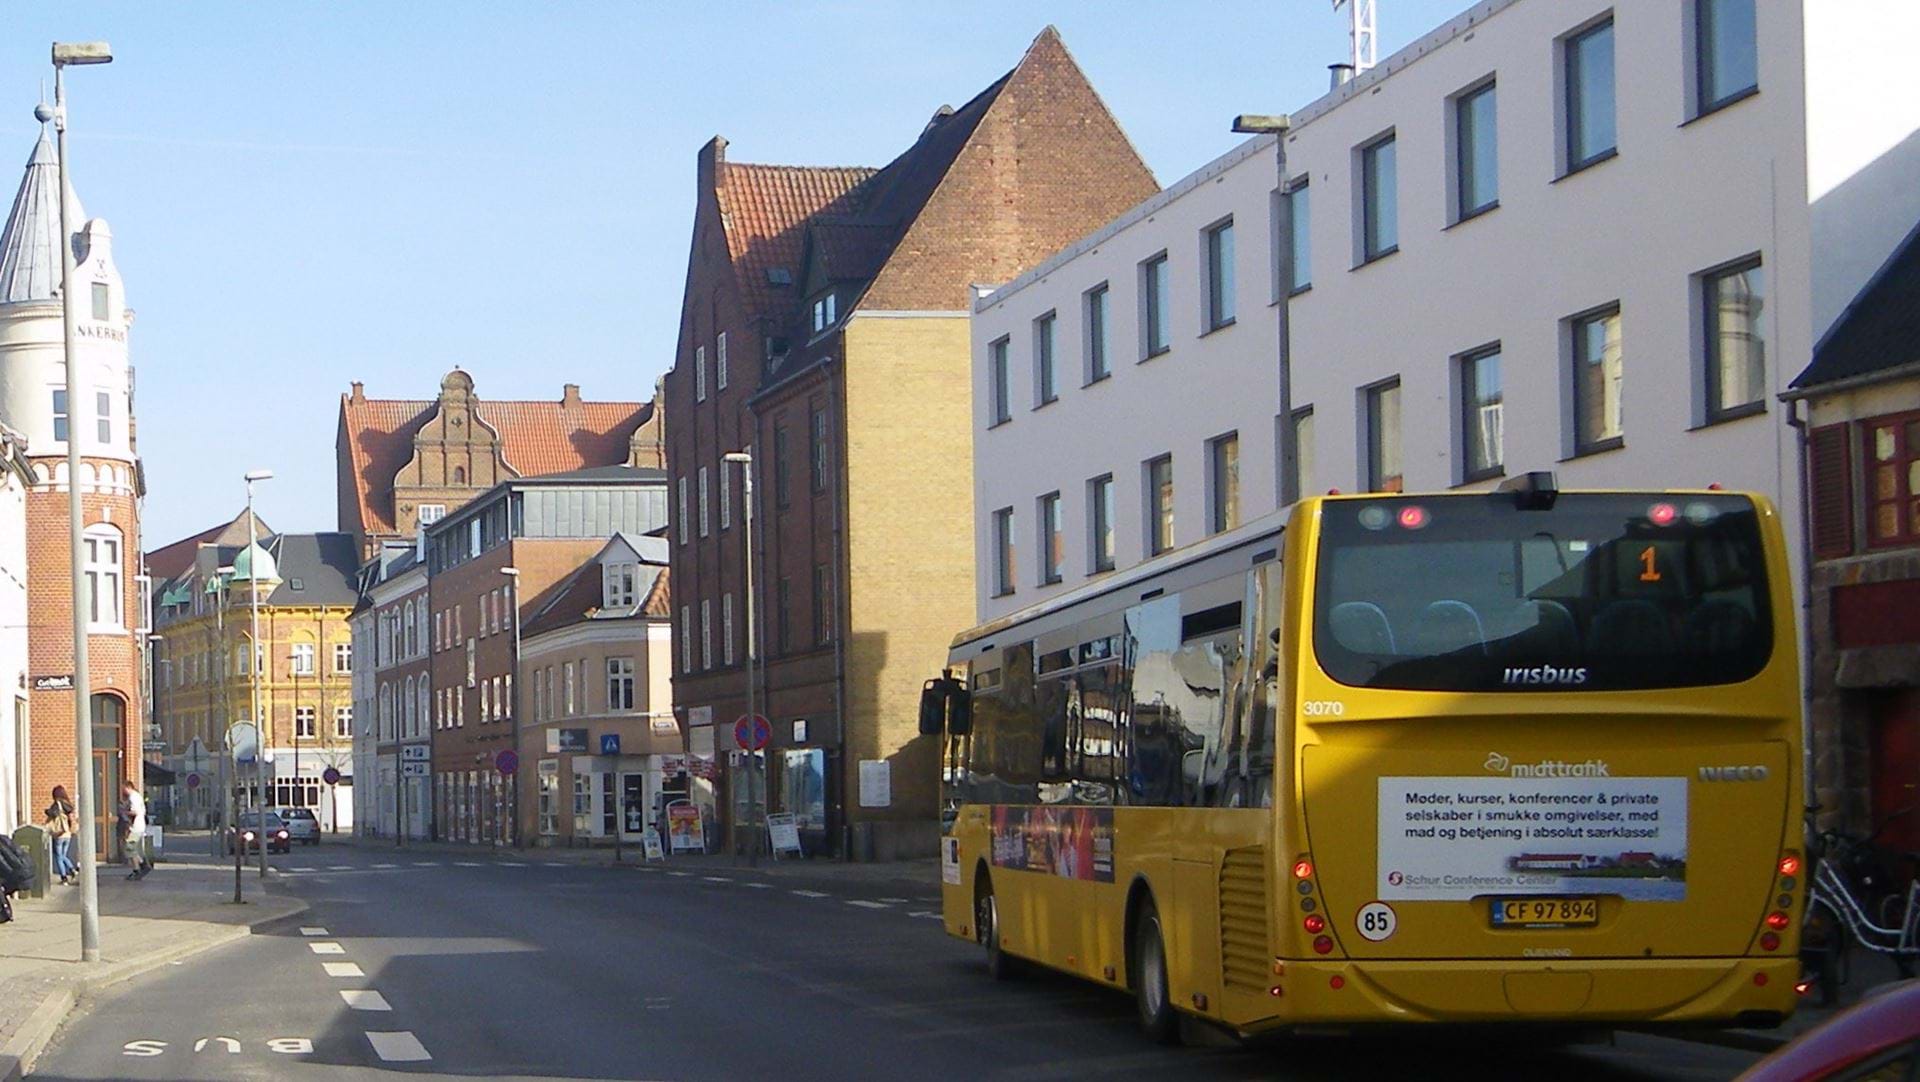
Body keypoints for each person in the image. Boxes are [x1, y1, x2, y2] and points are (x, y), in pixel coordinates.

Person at [43, 785, 77, 885]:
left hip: (59, 834)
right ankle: (72, 869)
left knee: (59, 857)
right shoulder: (68, 804)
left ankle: (64, 877)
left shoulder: (57, 804)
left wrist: (46, 811)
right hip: (68, 834)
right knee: (63, 855)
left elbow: (52, 813)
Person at [120, 779, 150, 880]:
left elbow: (135, 812)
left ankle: (139, 867)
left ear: (128, 787)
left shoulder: (133, 797)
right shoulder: (137, 796)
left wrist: (125, 812)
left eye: (124, 789)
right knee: (134, 849)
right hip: (139, 826)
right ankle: (141, 866)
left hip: (136, 827)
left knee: (130, 848)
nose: (123, 791)